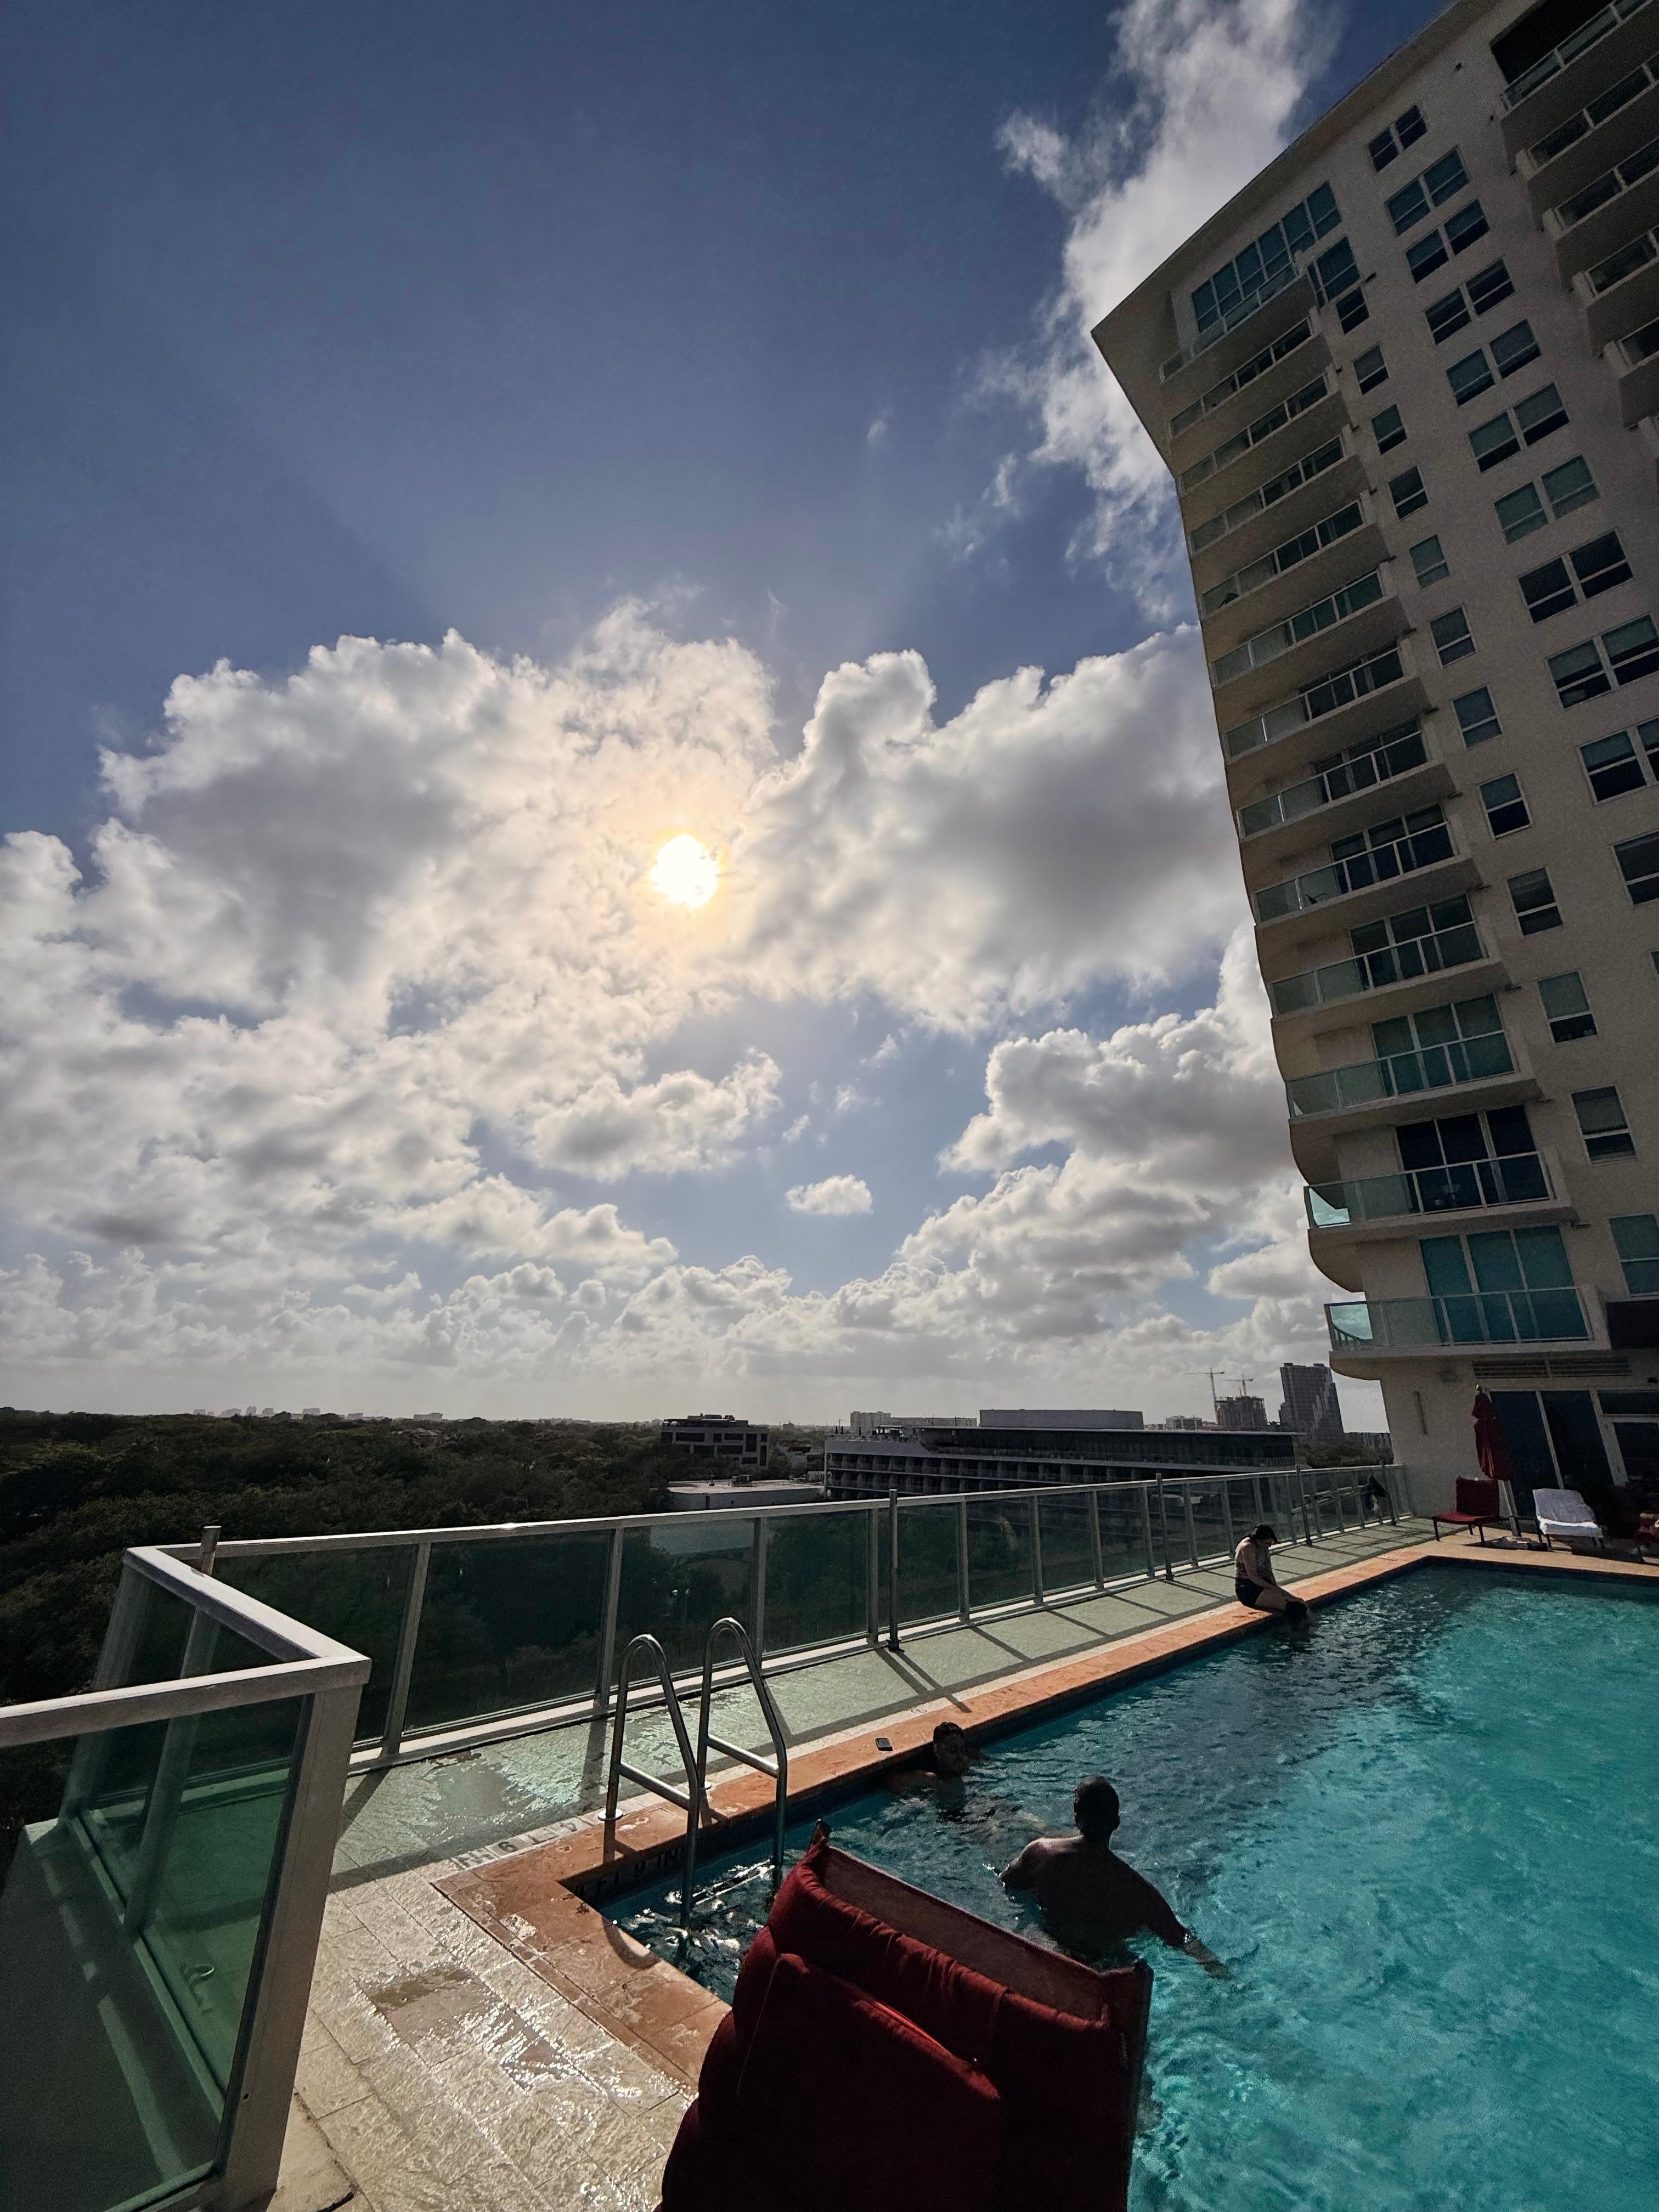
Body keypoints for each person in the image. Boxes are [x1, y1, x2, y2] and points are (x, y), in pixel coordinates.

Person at [1001, 1778, 1226, 1975]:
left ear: (1076, 1818)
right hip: (1105, 1972)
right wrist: (1220, 1971)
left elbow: (1006, 1883)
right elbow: (1182, 1939)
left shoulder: (1040, 1854)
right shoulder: (1135, 1889)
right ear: (1116, 1824)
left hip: (1050, 1955)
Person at [1233, 1523, 1307, 1621]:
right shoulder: (1248, 1547)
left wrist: (1277, 1588)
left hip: (1263, 1584)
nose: (1269, 1546)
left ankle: (1308, 1627)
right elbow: (1253, 1576)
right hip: (1248, 1589)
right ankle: (1295, 1633)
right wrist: (1274, 1589)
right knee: (1293, 1607)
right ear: (1258, 1540)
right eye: (1267, 1543)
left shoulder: (1263, 1547)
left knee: (1300, 1602)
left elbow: (1269, 1572)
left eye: (1270, 1543)